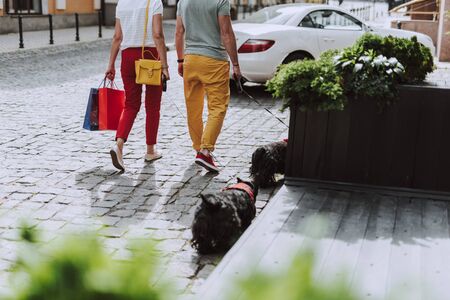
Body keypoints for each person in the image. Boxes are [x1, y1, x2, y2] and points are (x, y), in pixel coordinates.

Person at [175, 0, 241, 173]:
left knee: (193, 108)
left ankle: (198, 149)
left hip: (190, 59)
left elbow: (179, 32)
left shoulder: (183, 1)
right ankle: (205, 151)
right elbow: (226, 33)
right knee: (218, 106)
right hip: (214, 60)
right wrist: (235, 63)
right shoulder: (221, 1)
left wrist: (180, 60)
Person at [105, 0, 170, 171]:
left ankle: (119, 145)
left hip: (127, 57)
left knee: (131, 105)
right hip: (149, 56)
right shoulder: (154, 2)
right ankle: (150, 150)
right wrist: (164, 65)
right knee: (153, 105)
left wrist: (110, 64)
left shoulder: (122, 3)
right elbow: (157, 35)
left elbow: (117, 37)